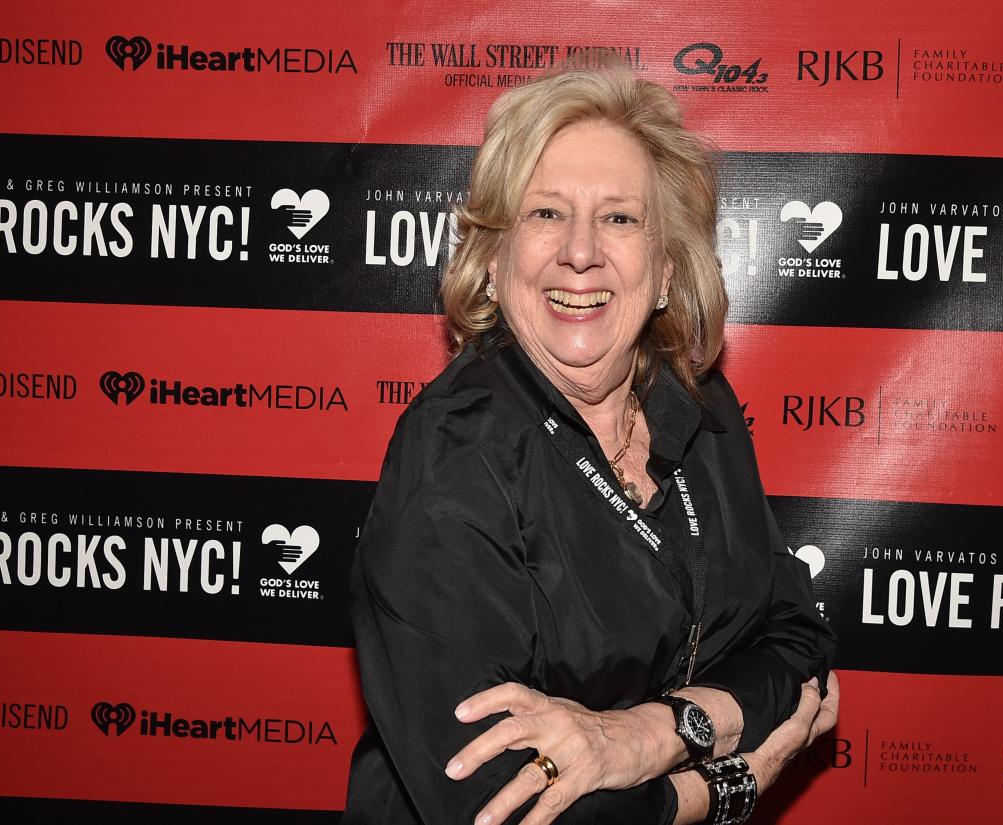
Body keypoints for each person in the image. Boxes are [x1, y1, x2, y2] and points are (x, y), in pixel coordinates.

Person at [344, 65, 838, 825]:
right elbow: (501, 805)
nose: (581, 252)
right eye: (546, 213)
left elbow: (797, 640)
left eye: (620, 218)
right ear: (494, 260)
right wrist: (729, 781)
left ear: (667, 271)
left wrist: (645, 734)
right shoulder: (452, 456)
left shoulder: (701, 409)